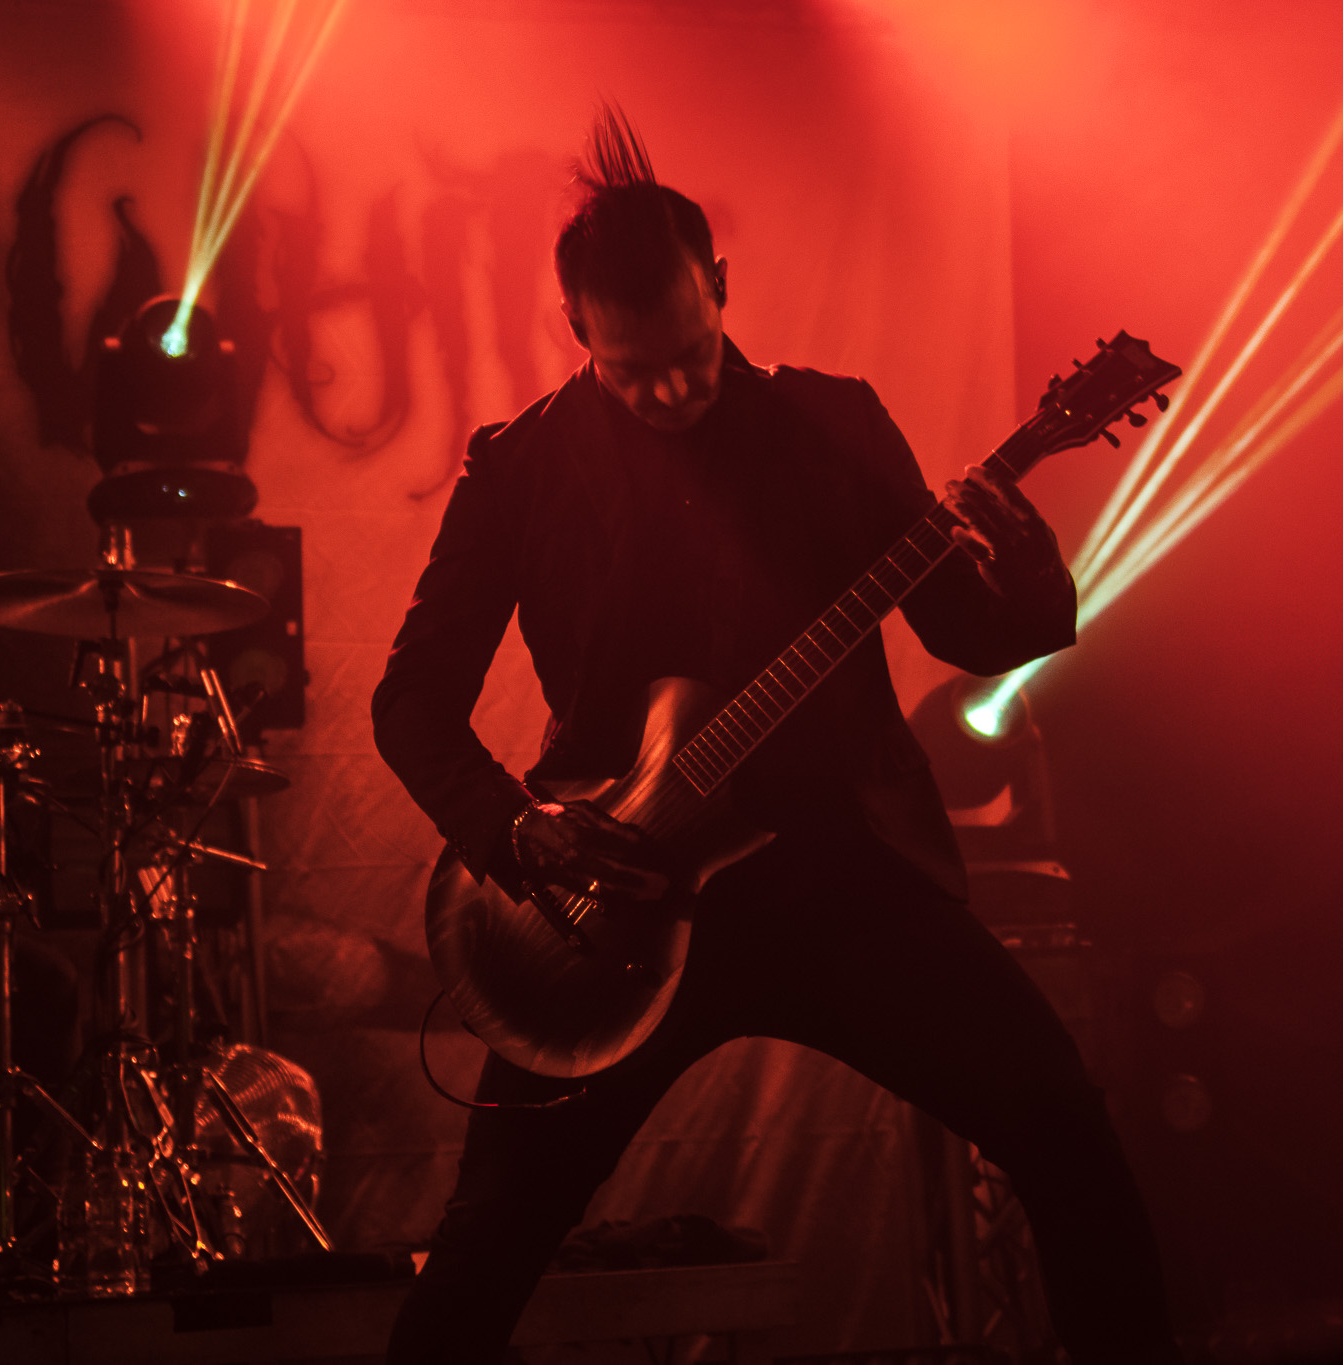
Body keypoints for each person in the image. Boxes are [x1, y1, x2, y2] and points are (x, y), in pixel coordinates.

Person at [371, 113, 1180, 1364]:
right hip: (610, 903)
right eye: (630, 368)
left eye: (689, 354)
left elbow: (971, 633)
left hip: (834, 880)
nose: (668, 390)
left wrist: (1022, 562)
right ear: (575, 329)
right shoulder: (517, 471)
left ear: (721, 288)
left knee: (1062, 1128)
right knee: (484, 1248)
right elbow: (411, 702)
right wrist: (516, 834)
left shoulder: (832, 426)